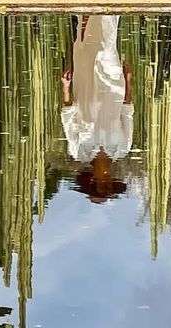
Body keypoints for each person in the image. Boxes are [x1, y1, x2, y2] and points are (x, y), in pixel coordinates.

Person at [61, 14, 133, 204]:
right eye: (108, 185)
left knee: (87, 49)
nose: (106, 181)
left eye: (101, 185)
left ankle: (87, 10)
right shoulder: (122, 148)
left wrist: (65, 87)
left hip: (85, 89)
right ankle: (106, 10)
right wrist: (128, 81)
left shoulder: (79, 151)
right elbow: (127, 112)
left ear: (92, 180)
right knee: (107, 50)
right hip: (113, 91)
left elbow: (68, 117)